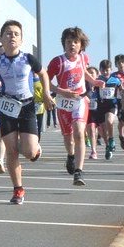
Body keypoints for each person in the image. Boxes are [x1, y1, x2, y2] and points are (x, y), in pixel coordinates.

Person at [0, 20, 53, 205]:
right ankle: (18, 189)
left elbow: (44, 74)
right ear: (1, 38)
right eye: (8, 33)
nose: (12, 37)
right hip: (6, 107)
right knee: (11, 150)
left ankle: (35, 148)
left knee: (29, 151)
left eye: (16, 34)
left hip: (26, 107)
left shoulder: (28, 59)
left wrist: (48, 94)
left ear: (21, 39)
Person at [45, 27, 101, 187]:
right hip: (63, 102)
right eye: (68, 42)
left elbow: (84, 72)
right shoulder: (58, 62)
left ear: (81, 44)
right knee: (68, 138)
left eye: (75, 42)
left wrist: (94, 81)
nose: (72, 45)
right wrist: (59, 91)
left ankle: (79, 171)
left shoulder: (83, 58)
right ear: (64, 44)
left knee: (79, 133)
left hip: (80, 100)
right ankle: (70, 156)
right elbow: (45, 81)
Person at [95, 59, 122, 160]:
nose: (105, 72)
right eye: (103, 70)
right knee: (101, 130)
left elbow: (121, 89)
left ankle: (111, 140)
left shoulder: (115, 80)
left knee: (109, 121)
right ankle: (107, 146)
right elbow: (92, 90)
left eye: (107, 70)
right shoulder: (98, 81)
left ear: (111, 70)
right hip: (100, 106)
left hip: (111, 105)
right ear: (100, 70)